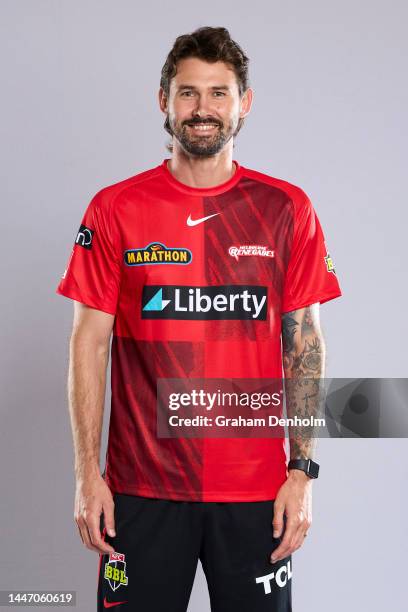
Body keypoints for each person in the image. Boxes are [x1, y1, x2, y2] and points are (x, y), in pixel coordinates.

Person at [56, 26, 342, 612]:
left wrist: (302, 472)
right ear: (163, 100)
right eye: (188, 93)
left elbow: (304, 344)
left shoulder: (287, 209)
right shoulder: (116, 209)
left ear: (245, 103)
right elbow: (89, 344)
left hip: (256, 493)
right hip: (141, 492)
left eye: (219, 93)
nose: (203, 109)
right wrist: (88, 476)